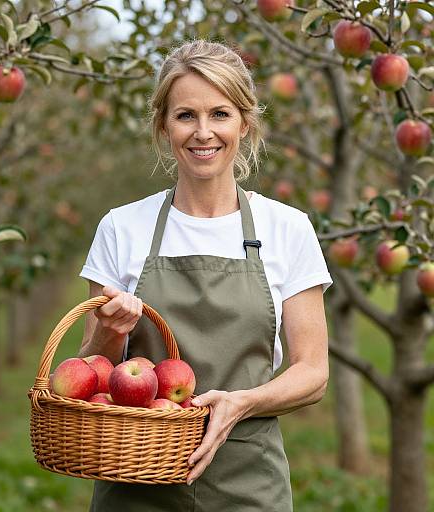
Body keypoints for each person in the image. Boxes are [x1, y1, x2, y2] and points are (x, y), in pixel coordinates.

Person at [78, 39, 333, 512]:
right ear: (163, 126)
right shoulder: (121, 228)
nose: (203, 132)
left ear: (245, 122)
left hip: (247, 480)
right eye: (185, 115)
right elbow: (89, 372)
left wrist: (242, 402)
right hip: (134, 476)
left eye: (219, 114)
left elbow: (313, 374)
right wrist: (111, 336)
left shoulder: (288, 228)